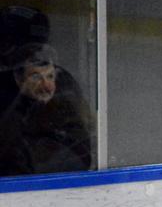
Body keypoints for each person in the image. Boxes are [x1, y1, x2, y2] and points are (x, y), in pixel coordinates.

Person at [0, 42, 93, 175]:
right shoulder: (10, 118)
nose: (46, 86)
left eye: (50, 76)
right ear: (19, 80)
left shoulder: (69, 107)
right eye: (36, 77)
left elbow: (84, 152)